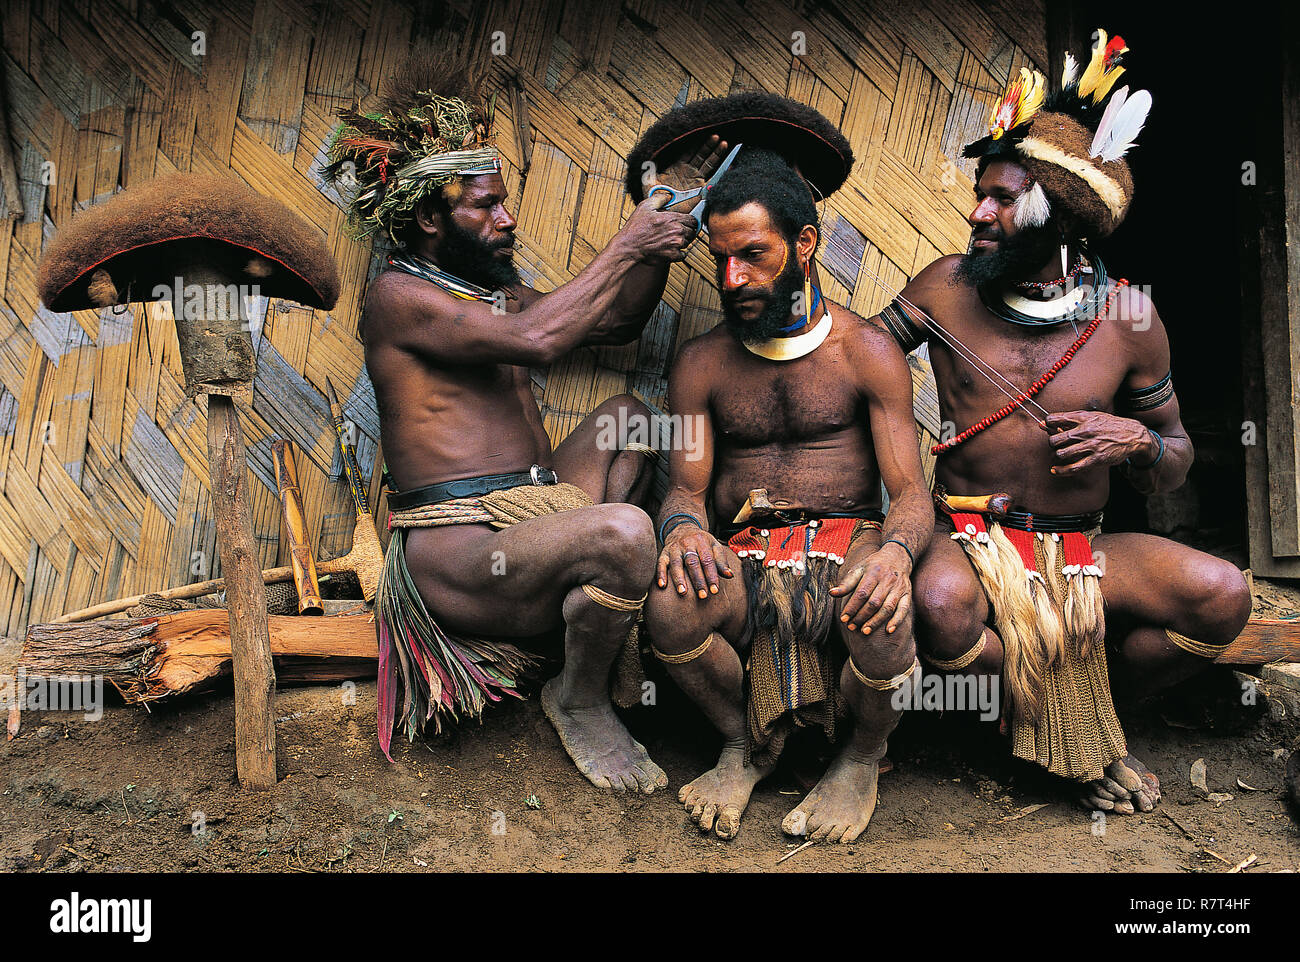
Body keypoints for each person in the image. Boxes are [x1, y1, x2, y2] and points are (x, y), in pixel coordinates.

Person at [871, 31, 1251, 814]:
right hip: (967, 541)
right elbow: (855, 362)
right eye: (980, 192)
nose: (977, 211)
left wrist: (1140, 441)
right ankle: (1060, 734)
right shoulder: (944, 287)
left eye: (1001, 199)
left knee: (1222, 595)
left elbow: (1177, 456)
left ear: (1058, 212)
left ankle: (1101, 716)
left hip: (1081, 553)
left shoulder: (1130, 317)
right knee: (941, 608)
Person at [323, 50, 716, 793]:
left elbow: (619, 320)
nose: (507, 219)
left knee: (631, 420)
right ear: (431, 217)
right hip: (464, 550)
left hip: (533, 510)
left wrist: (664, 226)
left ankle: (596, 612)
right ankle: (580, 695)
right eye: (485, 206)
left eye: (505, 201)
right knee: (627, 532)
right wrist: (627, 242)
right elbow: (542, 340)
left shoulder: (487, 295)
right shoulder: (400, 298)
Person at [639, 94, 932, 843]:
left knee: (883, 608)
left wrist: (895, 555)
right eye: (720, 260)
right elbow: (685, 490)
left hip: (846, 548)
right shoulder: (702, 363)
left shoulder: (867, 351)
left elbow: (908, 494)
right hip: (744, 554)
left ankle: (861, 759)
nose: (732, 279)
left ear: (804, 245)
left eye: (753, 256)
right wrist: (681, 533)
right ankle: (745, 745)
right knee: (672, 606)